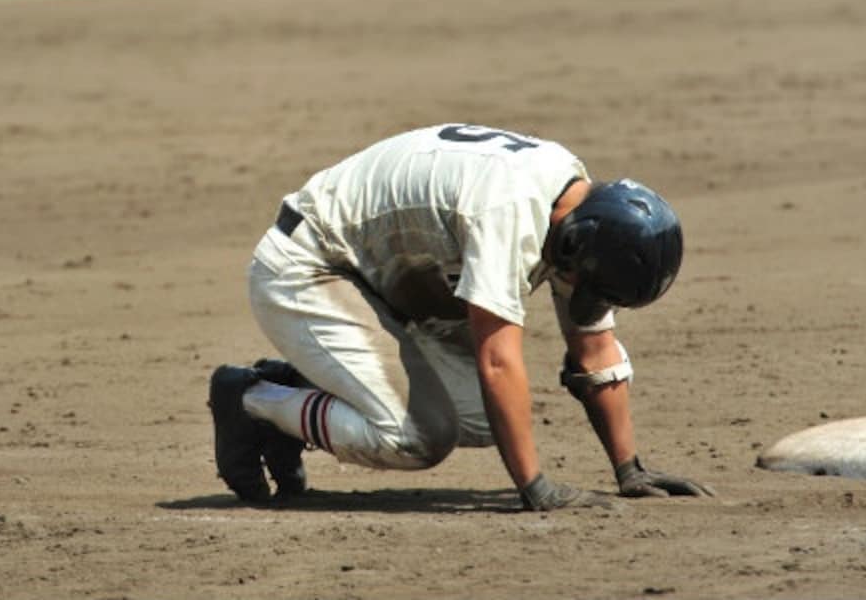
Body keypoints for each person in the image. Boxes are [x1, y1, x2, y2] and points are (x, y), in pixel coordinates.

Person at [209, 123, 716, 510]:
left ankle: (303, 383)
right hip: (308, 269)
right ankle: (255, 401)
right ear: (577, 245)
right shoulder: (511, 210)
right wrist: (535, 487)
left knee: (483, 414)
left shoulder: (578, 208)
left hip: (377, 283)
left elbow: (593, 347)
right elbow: (498, 360)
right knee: (418, 436)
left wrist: (630, 470)